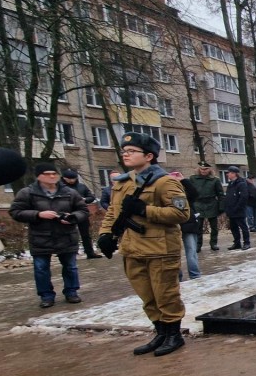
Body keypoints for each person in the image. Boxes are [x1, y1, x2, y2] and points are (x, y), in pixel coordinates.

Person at [97, 133, 190, 356]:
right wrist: (105, 234)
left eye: (131, 151)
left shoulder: (164, 182)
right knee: (147, 296)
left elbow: (181, 213)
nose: (126, 155)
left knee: (165, 294)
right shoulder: (123, 183)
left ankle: (173, 335)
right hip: (132, 248)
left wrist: (144, 210)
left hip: (160, 249)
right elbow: (113, 212)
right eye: (124, 151)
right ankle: (160, 332)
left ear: (149, 156)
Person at [9, 162, 89, 307]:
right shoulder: (27, 192)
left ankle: (71, 292)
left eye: (54, 174)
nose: (52, 176)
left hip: (66, 235)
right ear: (39, 176)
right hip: (40, 236)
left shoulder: (70, 192)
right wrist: (38, 214)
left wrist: (72, 218)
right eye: (47, 174)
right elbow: (15, 212)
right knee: (41, 268)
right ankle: (46, 296)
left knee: (71, 266)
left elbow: (83, 210)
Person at [61, 168, 103, 259]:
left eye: (74, 178)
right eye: (69, 178)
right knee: (68, 234)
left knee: (86, 234)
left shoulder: (81, 186)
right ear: (64, 178)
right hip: (67, 212)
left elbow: (91, 197)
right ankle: (69, 254)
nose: (72, 180)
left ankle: (89, 252)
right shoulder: (60, 187)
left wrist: (85, 199)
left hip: (81, 212)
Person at [169, 171, 202, 280]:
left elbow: (195, 194)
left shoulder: (184, 191)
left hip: (188, 224)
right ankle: (179, 276)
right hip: (173, 225)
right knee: (175, 253)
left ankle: (195, 274)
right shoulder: (166, 191)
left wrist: (183, 180)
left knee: (191, 250)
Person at [187, 162, 224, 252]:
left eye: (206, 169)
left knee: (214, 227)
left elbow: (220, 194)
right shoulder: (193, 178)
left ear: (210, 169)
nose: (203, 171)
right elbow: (189, 192)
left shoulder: (215, 180)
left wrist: (221, 206)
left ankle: (213, 243)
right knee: (198, 226)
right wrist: (190, 205)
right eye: (202, 169)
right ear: (199, 169)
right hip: (198, 204)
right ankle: (198, 245)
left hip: (211, 204)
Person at [223, 166, 251, 250]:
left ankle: (247, 243)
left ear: (234, 174)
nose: (227, 174)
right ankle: (237, 243)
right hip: (231, 210)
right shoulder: (231, 184)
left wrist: (237, 207)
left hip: (238, 210)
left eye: (229, 173)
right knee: (233, 227)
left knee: (243, 227)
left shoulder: (241, 183)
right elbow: (229, 197)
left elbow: (243, 197)